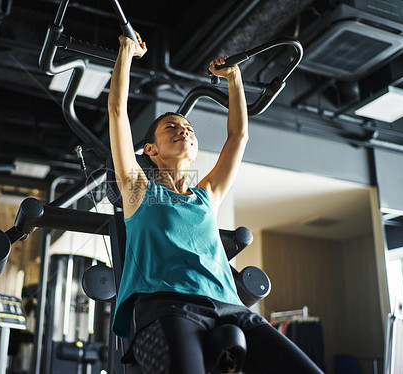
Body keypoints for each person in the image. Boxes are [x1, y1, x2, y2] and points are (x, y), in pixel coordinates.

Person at [107, 32, 323, 374]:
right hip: (168, 307)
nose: (184, 130)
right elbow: (117, 111)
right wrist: (125, 53)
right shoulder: (138, 191)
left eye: (189, 128)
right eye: (171, 127)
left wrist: (234, 79)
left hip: (231, 308)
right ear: (149, 149)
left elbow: (238, 136)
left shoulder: (206, 195)